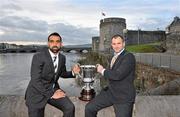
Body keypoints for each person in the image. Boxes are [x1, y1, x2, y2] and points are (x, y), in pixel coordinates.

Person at [25, 32, 80, 117]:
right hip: (37, 92)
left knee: (70, 108)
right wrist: (51, 94)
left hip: (53, 89)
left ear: (61, 44)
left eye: (57, 41)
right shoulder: (38, 56)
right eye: (52, 41)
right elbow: (35, 80)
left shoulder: (62, 58)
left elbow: (62, 73)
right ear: (48, 43)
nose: (55, 44)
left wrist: (73, 72)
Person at [85, 34, 136, 117]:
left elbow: (118, 75)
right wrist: (101, 68)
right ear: (112, 45)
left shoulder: (129, 57)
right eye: (114, 44)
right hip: (110, 93)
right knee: (89, 108)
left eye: (119, 43)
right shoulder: (114, 56)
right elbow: (111, 73)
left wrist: (102, 70)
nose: (116, 46)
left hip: (123, 97)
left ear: (124, 44)